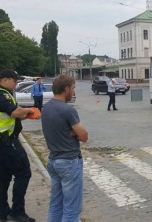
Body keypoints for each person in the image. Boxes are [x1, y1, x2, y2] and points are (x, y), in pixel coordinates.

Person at [0, 69, 36, 222]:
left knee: (3, 177)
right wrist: (31, 110)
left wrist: (26, 116)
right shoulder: (1, 94)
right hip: (6, 143)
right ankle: (17, 212)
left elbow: (10, 118)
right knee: (23, 173)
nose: (16, 83)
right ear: (5, 79)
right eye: (15, 81)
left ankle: (3, 213)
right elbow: (14, 112)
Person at [41, 74, 88, 222]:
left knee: (56, 204)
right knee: (72, 209)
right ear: (66, 89)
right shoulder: (68, 110)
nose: (74, 92)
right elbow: (84, 136)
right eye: (73, 88)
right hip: (69, 162)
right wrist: (76, 133)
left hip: (53, 161)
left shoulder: (46, 107)